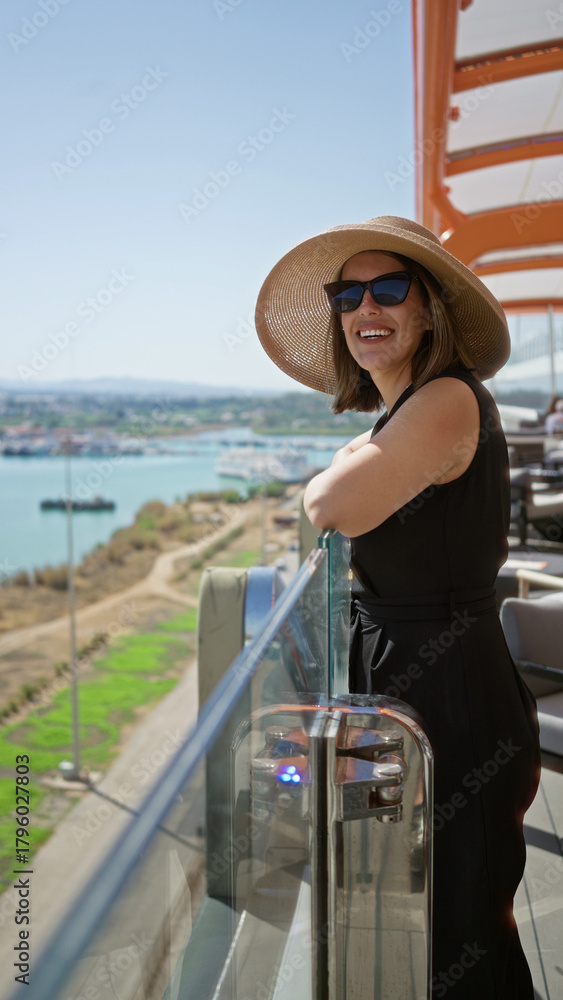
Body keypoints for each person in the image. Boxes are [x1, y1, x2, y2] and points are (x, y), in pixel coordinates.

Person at [255, 216, 541, 999]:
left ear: (428, 308)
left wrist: (332, 472)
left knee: (460, 921)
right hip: (398, 685)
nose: (364, 308)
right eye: (347, 295)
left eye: (387, 288)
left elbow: (330, 506)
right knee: (406, 908)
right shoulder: (404, 412)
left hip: (449, 692)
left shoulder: (446, 397)